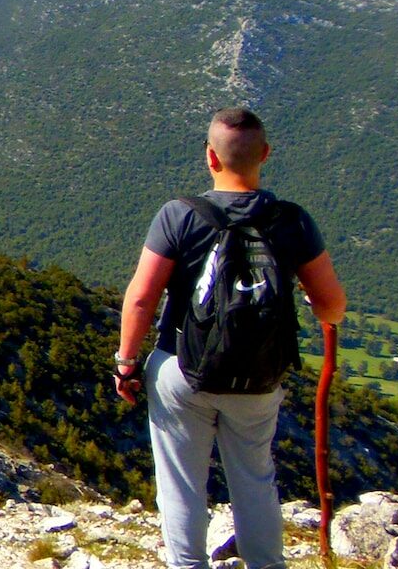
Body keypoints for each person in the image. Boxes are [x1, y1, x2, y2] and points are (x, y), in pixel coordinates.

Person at [113, 106, 346, 569]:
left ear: (210, 158)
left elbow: (141, 299)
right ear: (265, 154)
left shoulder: (178, 216)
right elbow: (332, 304)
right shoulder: (292, 221)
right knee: (255, 479)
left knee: (181, 483)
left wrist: (125, 362)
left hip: (181, 370)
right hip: (259, 376)